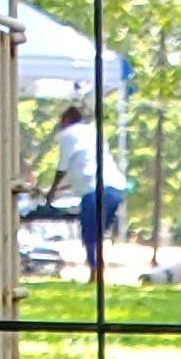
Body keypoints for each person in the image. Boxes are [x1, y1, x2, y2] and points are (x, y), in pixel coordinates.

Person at [52, 98, 126, 274]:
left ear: (66, 119)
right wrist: (62, 189)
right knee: (98, 233)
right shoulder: (92, 132)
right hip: (115, 188)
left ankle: (95, 271)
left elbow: (63, 166)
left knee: (89, 233)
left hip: (94, 191)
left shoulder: (67, 134)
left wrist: (52, 191)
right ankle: (98, 268)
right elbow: (85, 168)